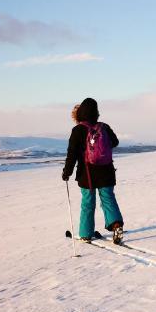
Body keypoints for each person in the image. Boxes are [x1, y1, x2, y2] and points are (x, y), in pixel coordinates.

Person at [62, 97, 124, 244]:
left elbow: (71, 154)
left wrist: (67, 172)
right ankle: (116, 225)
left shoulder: (77, 130)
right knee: (108, 199)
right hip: (106, 171)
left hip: (87, 174)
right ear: (96, 112)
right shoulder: (104, 127)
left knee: (88, 203)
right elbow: (115, 142)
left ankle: (85, 233)